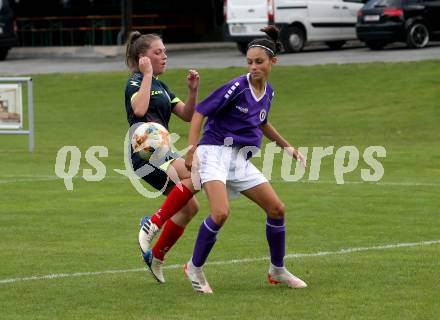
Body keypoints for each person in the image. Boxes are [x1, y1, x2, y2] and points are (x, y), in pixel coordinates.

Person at [182, 26, 308, 293]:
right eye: (249, 62)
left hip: (238, 158)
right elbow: (199, 113)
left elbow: (263, 124)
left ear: (273, 61)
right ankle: (194, 267)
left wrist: (288, 148)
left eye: (259, 62)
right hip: (213, 151)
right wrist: (191, 150)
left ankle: (277, 270)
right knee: (221, 213)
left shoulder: (269, 93)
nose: (253, 67)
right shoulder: (236, 87)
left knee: (277, 209)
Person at [124, 31, 200, 283]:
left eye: (165, 51)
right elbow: (139, 109)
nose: (164, 56)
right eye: (158, 52)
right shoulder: (136, 82)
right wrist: (146, 75)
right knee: (197, 173)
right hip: (145, 154)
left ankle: (156, 256)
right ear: (143, 57)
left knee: (190, 208)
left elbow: (187, 115)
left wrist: (192, 91)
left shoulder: (162, 86)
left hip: (163, 152)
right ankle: (152, 224)